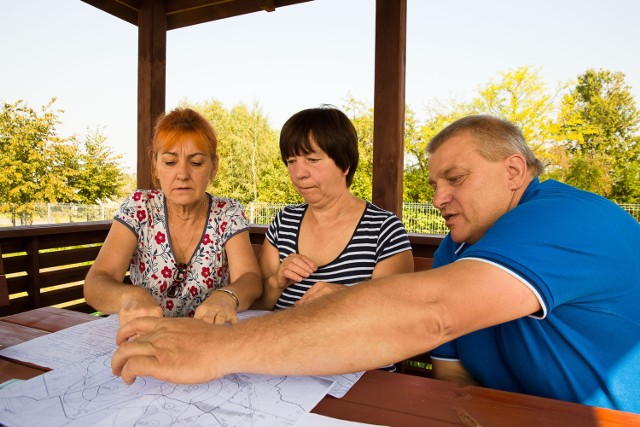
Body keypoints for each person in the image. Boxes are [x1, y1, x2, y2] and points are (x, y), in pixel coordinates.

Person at [111, 115, 640, 414]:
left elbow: (432, 314)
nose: (437, 198)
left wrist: (221, 348)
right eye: (433, 183)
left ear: (514, 170)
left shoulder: (568, 219)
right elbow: (452, 375)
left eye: (454, 178)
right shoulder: (458, 251)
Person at [84, 107, 261, 326]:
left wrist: (227, 296)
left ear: (213, 167)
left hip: (207, 339)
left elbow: (250, 279)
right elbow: (95, 282)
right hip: (146, 335)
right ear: (156, 166)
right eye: (170, 162)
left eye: (196, 162)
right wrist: (129, 296)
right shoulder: (140, 207)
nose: (183, 175)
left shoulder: (228, 212)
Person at [252, 106, 414, 311]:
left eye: (312, 160)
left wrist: (347, 297)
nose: (298, 173)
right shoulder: (284, 222)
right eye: (291, 161)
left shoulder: (384, 230)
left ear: (345, 164)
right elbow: (257, 305)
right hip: (280, 341)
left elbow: (396, 313)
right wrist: (276, 283)